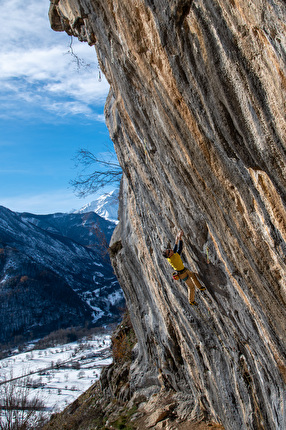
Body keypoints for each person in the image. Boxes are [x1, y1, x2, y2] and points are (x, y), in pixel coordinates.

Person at [162, 230, 205, 306]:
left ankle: (200, 287)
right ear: (169, 255)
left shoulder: (170, 257)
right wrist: (180, 238)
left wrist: (177, 238)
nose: (170, 250)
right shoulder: (174, 258)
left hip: (184, 271)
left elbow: (174, 249)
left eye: (169, 249)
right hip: (182, 274)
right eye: (169, 251)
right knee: (191, 287)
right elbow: (179, 249)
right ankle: (191, 301)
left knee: (193, 275)